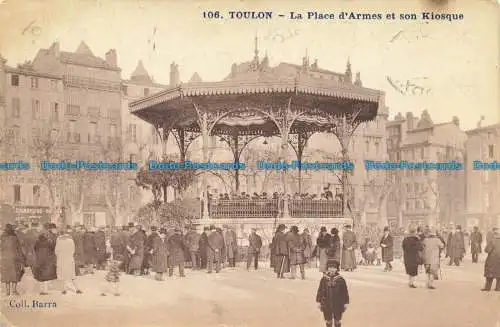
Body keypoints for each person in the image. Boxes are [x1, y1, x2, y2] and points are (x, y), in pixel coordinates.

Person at [316, 260, 349, 327]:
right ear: (327, 268)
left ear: (337, 269)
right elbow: (320, 290)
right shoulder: (324, 279)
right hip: (326, 303)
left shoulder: (341, 280)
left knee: (337, 320)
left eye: (334, 267)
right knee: (328, 320)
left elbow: (345, 292)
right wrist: (319, 301)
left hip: (338, 303)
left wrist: (346, 302)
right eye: (330, 267)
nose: (332, 269)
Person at [55, 227, 82, 294]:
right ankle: (77, 288)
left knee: (63, 275)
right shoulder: (71, 240)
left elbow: (56, 251)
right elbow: (73, 250)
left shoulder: (59, 241)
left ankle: (64, 289)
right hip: (70, 259)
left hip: (62, 259)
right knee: (72, 275)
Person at [1, 224, 25, 296]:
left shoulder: (2, 237)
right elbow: (19, 249)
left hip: (4, 258)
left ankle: (7, 291)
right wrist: (22, 259)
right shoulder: (15, 238)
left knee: (6, 274)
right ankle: (14, 290)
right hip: (15, 258)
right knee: (15, 274)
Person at [34, 223, 58, 295]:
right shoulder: (49, 242)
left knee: (41, 275)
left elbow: (35, 248)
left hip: (39, 259)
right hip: (47, 259)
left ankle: (41, 290)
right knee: (46, 275)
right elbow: (53, 248)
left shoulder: (37, 241)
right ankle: (45, 290)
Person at [481, 227, 500, 291]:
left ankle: (487, 288)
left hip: (492, 259)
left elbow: (487, 250)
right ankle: (498, 288)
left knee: (489, 274)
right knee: (499, 274)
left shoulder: (492, 240)